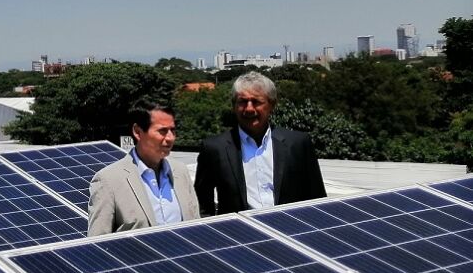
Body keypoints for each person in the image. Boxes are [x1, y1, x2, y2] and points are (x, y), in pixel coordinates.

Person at [195, 71, 326, 215]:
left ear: (272, 105)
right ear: (234, 105)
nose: (249, 108)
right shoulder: (214, 149)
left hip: (291, 230)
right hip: (239, 234)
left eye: (256, 102)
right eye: (242, 102)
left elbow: (317, 198)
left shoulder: (297, 144)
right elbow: (202, 205)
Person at [88, 104, 200, 236]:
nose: (170, 138)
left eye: (173, 130)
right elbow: (98, 243)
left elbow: (196, 228)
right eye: (162, 131)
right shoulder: (108, 181)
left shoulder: (180, 172)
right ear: (138, 132)